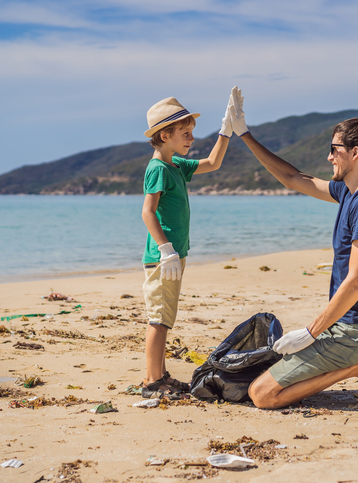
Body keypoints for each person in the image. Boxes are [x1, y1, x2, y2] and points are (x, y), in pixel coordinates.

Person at [227, 87, 358, 409]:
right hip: (357, 326)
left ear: (355, 153)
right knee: (270, 377)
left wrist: (311, 332)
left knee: (263, 395)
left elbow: (357, 280)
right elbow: (292, 177)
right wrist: (244, 134)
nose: (329, 157)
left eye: (334, 149)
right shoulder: (349, 192)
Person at [139, 94, 234, 399]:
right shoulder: (158, 169)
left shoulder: (176, 164)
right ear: (164, 136)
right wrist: (165, 249)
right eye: (186, 134)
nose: (192, 139)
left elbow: (214, 163)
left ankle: (161, 376)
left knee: (166, 318)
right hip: (162, 257)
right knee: (159, 319)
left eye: (192, 133)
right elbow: (147, 212)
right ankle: (152, 382)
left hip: (174, 256)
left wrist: (226, 130)